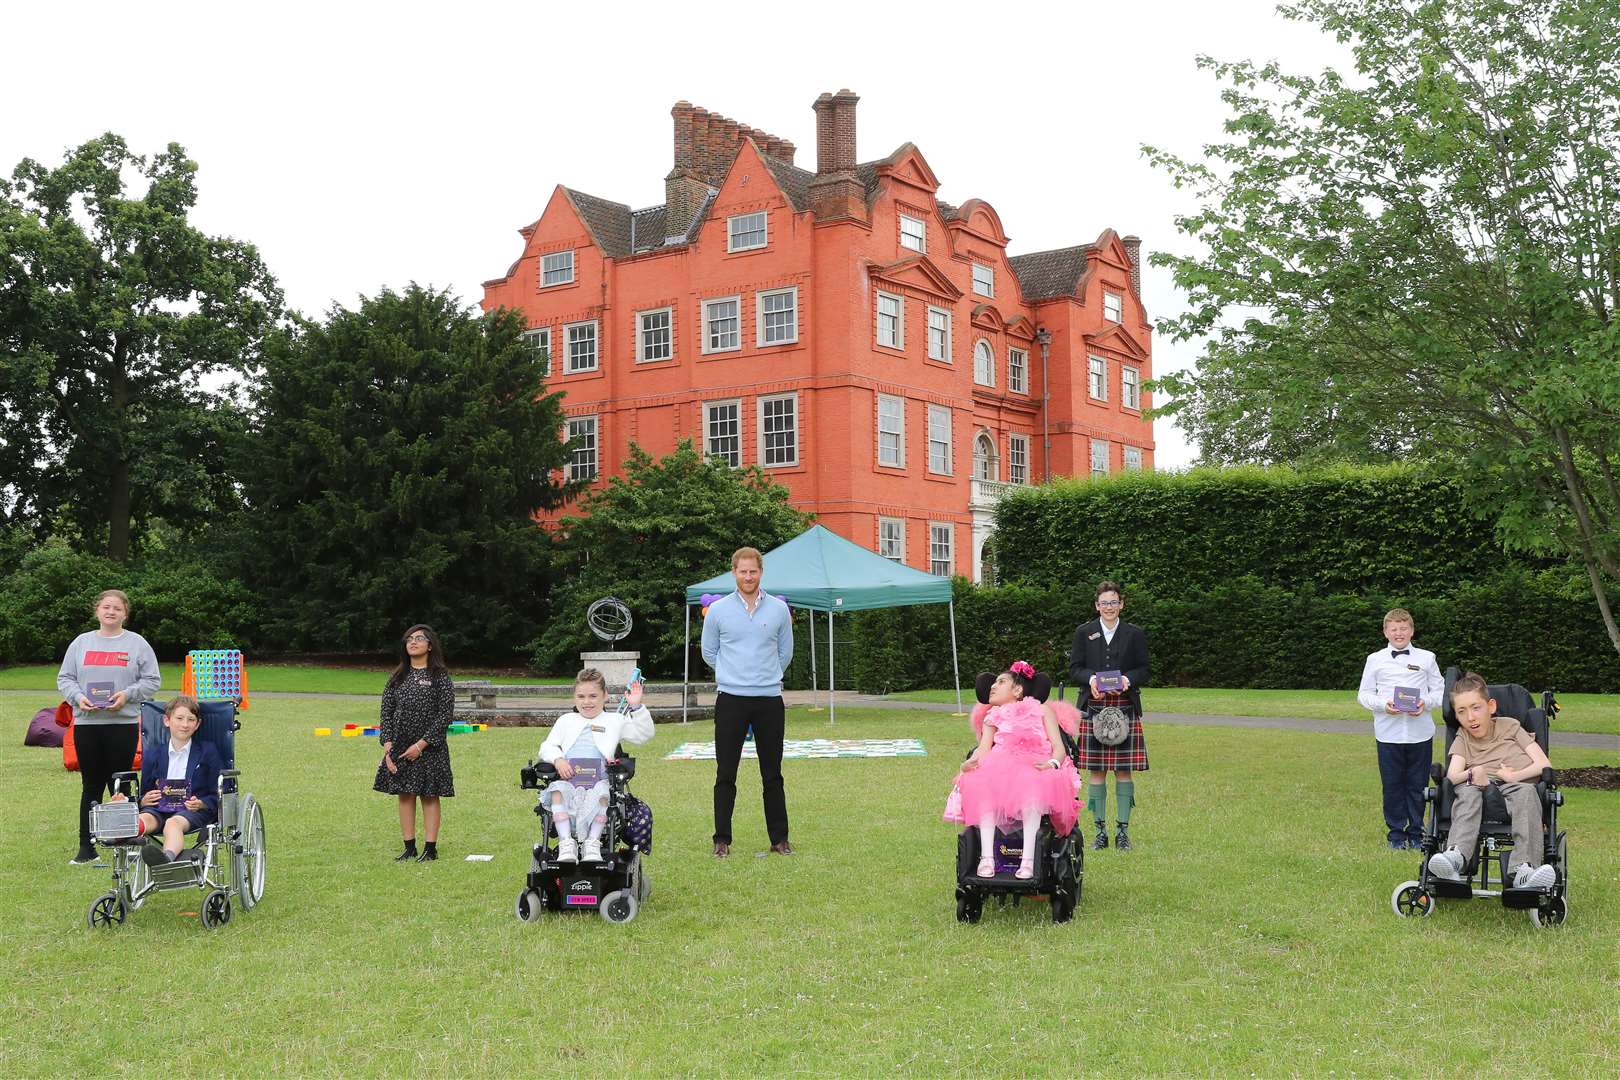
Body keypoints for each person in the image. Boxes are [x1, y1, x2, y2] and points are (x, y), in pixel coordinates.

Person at [943, 663, 1080, 878]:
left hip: (1036, 763)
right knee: (983, 786)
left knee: (1032, 789)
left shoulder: (1042, 710)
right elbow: (983, 749)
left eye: (1001, 682)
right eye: (994, 682)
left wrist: (1052, 763)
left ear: (1017, 690)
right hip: (1001, 764)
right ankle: (987, 858)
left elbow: (1058, 746)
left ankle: (1028, 860)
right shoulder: (993, 716)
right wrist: (967, 765)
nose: (993, 686)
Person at [700, 546, 794, 858]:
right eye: (743, 571)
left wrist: (765, 676)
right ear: (734, 573)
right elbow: (709, 653)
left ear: (761, 573)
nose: (748, 577)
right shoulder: (718, 611)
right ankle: (721, 840)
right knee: (725, 773)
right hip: (731, 701)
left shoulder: (779, 610)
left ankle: (779, 839)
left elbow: (785, 652)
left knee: (773, 773)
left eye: (753, 571)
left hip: (768, 700)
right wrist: (734, 675)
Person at [57, 589, 161, 865]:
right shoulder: (81, 643)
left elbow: (152, 680)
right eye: (106, 607)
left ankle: (125, 846)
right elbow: (65, 678)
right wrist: (78, 698)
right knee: (90, 786)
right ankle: (86, 848)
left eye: (117, 608)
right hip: (87, 725)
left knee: (121, 786)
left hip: (122, 724)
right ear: (97, 611)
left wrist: (127, 695)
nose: (111, 612)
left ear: (125, 614)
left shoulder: (137, 644)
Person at [1427, 672, 1556, 889]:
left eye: (1476, 708)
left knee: (1526, 793)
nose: (1471, 717)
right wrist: (1472, 773)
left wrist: (1514, 776)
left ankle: (1523, 869)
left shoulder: (1511, 726)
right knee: (1467, 791)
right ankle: (1455, 857)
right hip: (1478, 789)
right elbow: (1452, 776)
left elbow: (1544, 764)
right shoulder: (1463, 737)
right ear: (1457, 717)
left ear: (1491, 706)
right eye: (1462, 711)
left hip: (1516, 785)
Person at [536, 668, 654, 862]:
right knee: (556, 793)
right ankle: (567, 843)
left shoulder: (614, 720)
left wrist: (637, 707)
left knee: (603, 795)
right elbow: (547, 746)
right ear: (574, 697)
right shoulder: (566, 721)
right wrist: (558, 759)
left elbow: (644, 735)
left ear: (605, 696)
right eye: (581, 696)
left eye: (593, 696)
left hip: (600, 781)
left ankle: (592, 843)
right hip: (570, 780)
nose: (586, 702)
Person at [1067, 580, 1150, 851]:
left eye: (1114, 602)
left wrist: (1127, 679)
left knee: (1124, 771)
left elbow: (1144, 669)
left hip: (1125, 707)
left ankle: (1123, 833)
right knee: (1097, 772)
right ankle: (1100, 832)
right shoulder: (1084, 632)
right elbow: (1075, 668)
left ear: (1121, 604)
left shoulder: (1134, 634)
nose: (1109, 607)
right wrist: (1091, 679)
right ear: (1097, 606)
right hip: (1094, 707)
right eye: (1104, 603)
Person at [1356, 607, 1445, 849]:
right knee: (1393, 785)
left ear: (1412, 630)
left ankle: (1417, 833)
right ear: (1385, 631)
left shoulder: (1427, 658)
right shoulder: (1374, 660)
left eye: (1403, 628)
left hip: (1420, 733)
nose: (1399, 633)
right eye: (1393, 629)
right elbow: (1363, 695)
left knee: (1418, 785)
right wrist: (1384, 706)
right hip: (1388, 733)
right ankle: (1396, 834)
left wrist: (1425, 703)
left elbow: (1441, 691)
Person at [373, 624, 455, 862]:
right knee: (405, 794)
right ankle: (409, 847)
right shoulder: (397, 676)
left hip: (430, 747)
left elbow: (445, 715)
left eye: (419, 638)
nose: (413, 642)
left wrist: (421, 745)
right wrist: (387, 742)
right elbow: (386, 711)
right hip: (399, 745)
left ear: (430, 645)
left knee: (429, 795)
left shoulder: (439, 676)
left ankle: (431, 848)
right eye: (409, 639)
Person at [109, 695, 222, 866]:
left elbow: (219, 792)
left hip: (192, 811)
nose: (185, 724)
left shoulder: (208, 751)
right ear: (166, 721)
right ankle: (124, 835)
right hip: (158, 808)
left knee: (172, 823)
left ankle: (165, 860)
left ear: (197, 724)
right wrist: (143, 800)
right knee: (145, 818)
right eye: (179, 718)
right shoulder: (153, 754)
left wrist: (202, 804)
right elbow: (145, 791)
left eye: (191, 719)